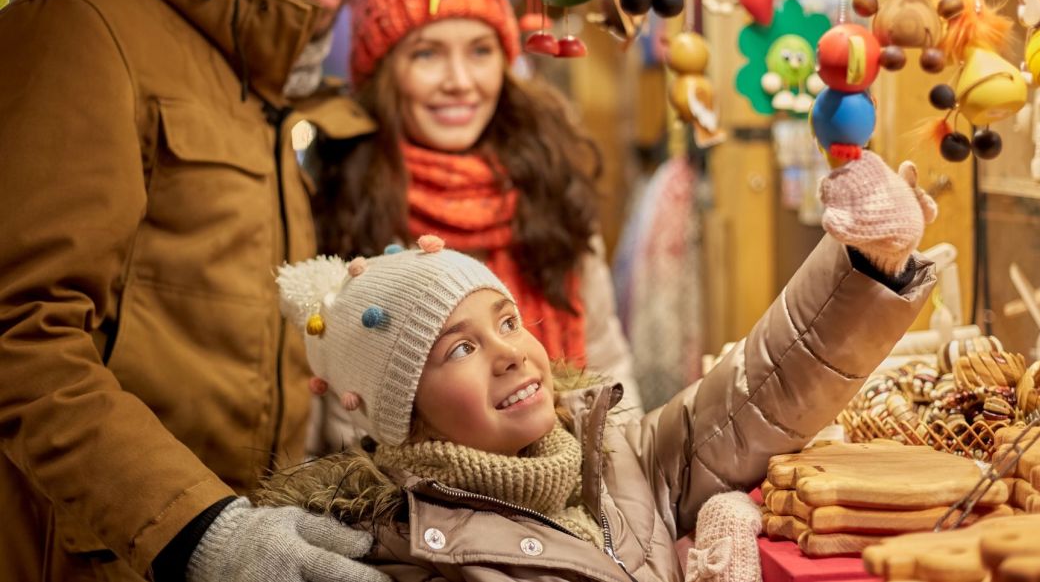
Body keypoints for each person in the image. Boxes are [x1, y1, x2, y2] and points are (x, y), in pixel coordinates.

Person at [260, 150, 937, 581]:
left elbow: (755, 392)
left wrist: (862, 265)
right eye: (459, 349)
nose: (506, 353)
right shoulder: (419, 557)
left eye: (506, 321)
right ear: (403, 415)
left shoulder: (617, 456)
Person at [0, 0, 401, 580]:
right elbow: (20, 326)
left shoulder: (252, 73)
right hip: (96, 554)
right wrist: (195, 526)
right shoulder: (84, 22)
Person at [310, 0, 643, 447]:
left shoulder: (546, 181)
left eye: (481, 51)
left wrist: (622, 485)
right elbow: (341, 423)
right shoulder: (343, 202)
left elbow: (605, 361)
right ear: (382, 72)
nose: (460, 81)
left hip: (575, 483)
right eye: (427, 55)